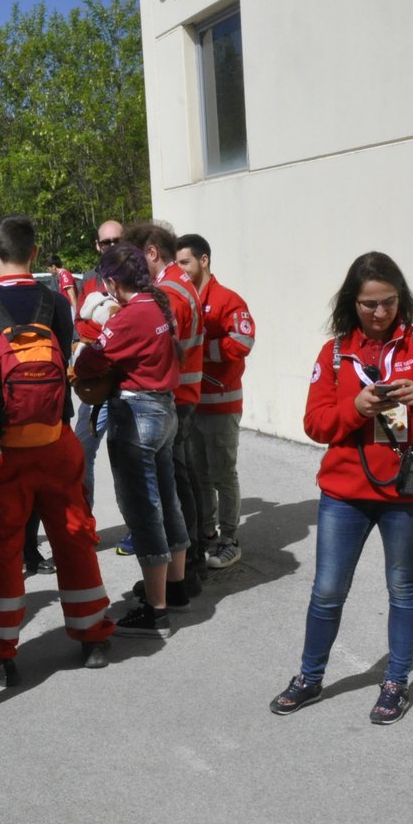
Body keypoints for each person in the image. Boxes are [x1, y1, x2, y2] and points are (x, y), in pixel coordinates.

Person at [270, 252, 413, 724]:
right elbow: (315, 424)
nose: (380, 313)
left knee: (403, 587)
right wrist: (356, 408)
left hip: (409, 492)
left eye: (389, 302)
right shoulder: (336, 353)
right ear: (350, 303)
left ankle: (396, 683)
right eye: (368, 304)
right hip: (344, 494)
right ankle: (310, 677)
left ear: (402, 299)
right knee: (327, 591)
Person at [0, 215, 114, 674]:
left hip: (4, 452)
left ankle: (1, 649)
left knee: (3, 549)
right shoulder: (56, 304)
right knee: (74, 537)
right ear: (34, 250)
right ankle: (93, 638)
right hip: (56, 439)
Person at [72, 242, 188, 639]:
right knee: (167, 499)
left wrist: (94, 338)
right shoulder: (160, 305)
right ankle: (176, 586)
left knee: (142, 509)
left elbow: (88, 362)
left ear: (110, 283)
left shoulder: (131, 316)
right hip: (165, 409)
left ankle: (155, 612)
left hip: (137, 414)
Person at [123, 221, 204, 591]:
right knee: (180, 482)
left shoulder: (167, 292)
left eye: (137, 259)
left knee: (172, 488)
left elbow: (155, 345)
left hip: (172, 397)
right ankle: (186, 568)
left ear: (152, 253)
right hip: (183, 394)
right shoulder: (179, 283)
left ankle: (180, 574)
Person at [176, 233, 255, 571]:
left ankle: (230, 539)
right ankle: (207, 534)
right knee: (200, 475)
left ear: (203, 260)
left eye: (184, 262)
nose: (179, 269)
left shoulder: (227, 300)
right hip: (194, 404)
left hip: (221, 403)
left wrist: (200, 351)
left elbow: (243, 339)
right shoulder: (185, 299)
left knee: (223, 475)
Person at [72, 219, 125, 512]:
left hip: (129, 385)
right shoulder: (90, 280)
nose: (113, 246)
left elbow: (137, 325)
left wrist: (108, 328)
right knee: (81, 454)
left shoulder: (140, 277)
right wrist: (111, 328)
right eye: (107, 242)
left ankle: (136, 528)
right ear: (98, 245)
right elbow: (81, 324)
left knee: (126, 459)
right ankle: (84, 525)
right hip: (96, 383)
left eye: (118, 240)